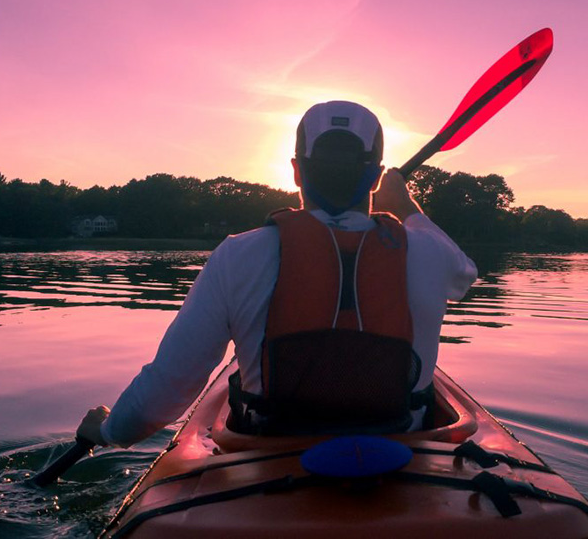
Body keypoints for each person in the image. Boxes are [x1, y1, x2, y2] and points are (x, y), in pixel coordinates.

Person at [78, 100, 477, 446]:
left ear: (296, 172)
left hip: (271, 454)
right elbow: (465, 274)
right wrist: (404, 205)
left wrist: (109, 431)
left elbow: (165, 392)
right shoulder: (429, 252)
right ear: (375, 176)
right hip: (404, 455)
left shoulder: (238, 255)